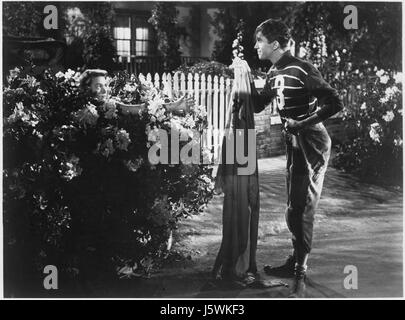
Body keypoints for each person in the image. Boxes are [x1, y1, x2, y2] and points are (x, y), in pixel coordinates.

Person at [236, 18, 343, 297]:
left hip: (312, 142)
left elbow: (335, 102)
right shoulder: (273, 72)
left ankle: (300, 268)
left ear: (273, 44)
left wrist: (302, 124)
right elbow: (260, 103)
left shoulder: (303, 68)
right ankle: (295, 260)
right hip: (295, 141)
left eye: (259, 40)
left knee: (303, 205)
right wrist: (244, 77)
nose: (255, 45)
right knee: (291, 207)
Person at [79, 69, 194, 115]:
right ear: (86, 88)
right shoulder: (82, 110)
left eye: (105, 85)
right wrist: (174, 105)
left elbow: (141, 108)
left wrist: (173, 106)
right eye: (98, 86)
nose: (104, 90)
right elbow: (141, 109)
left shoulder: (109, 105)